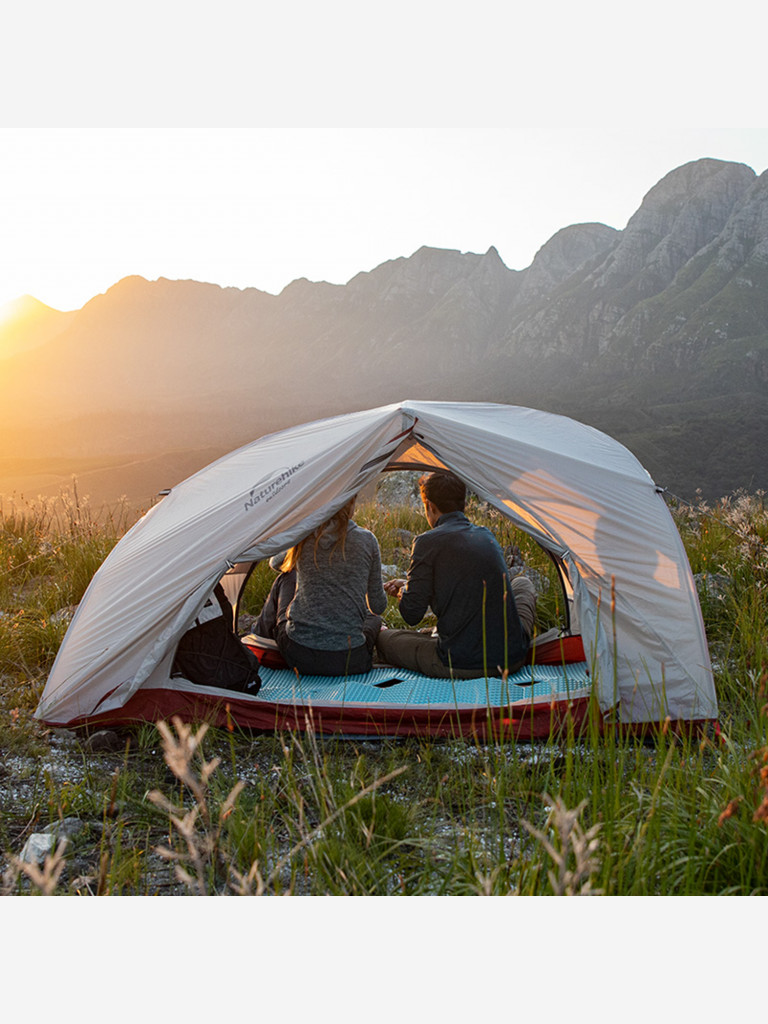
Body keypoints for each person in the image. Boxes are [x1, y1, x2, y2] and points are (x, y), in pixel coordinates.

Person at [377, 472, 536, 678]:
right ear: (464, 504)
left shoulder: (426, 542)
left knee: (385, 639)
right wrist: (409, 585)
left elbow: (412, 614)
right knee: (522, 583)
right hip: (512, 657)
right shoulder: (485, 534)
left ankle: (434, 638)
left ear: (430, 506)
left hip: (461, 662)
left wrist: (404, 591)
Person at [257, 497, 387, 676]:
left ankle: (259, 639)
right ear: (351, 505)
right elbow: (378, 607)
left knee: (286, 576)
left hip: (299, 654)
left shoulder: (305, 534)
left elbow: (275, 563)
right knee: (374, 618)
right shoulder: (367, 540)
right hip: (351, 661)